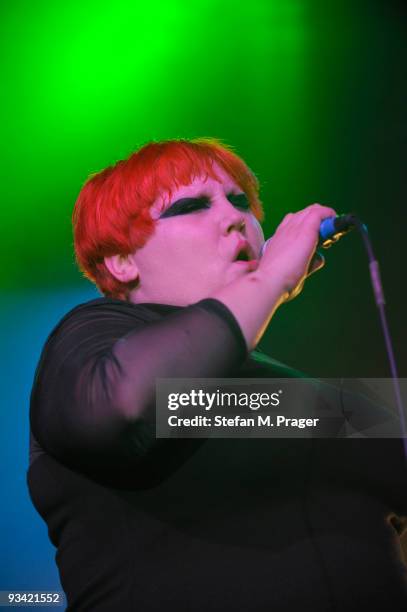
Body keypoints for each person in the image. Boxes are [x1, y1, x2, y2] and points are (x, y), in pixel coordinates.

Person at [27, 138, 407, 611]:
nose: (235, 218)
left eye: (240, 201)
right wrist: (268, 281)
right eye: (191, 206)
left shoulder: (289, 395)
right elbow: (125, 404)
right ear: (121, 262)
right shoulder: (92, 335)